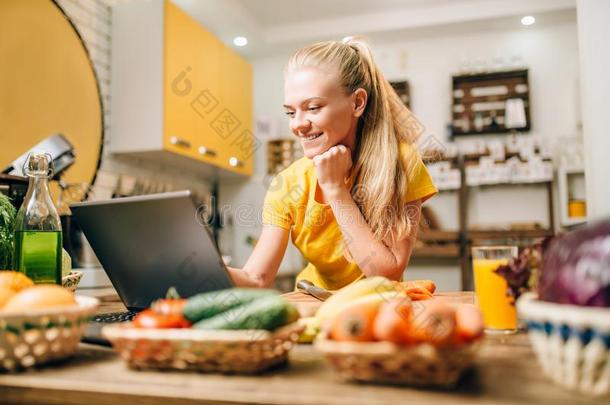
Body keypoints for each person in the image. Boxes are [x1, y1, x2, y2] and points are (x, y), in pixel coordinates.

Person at [227, 37, 437, 290]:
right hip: (312, 304)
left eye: (313, 108)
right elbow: (256, 278)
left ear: (357, 103)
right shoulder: (288, 184)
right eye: (291, 112)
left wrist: (336, 189)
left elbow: (386, 273)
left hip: (375, 307)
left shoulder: (399, 163)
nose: (297, 125)